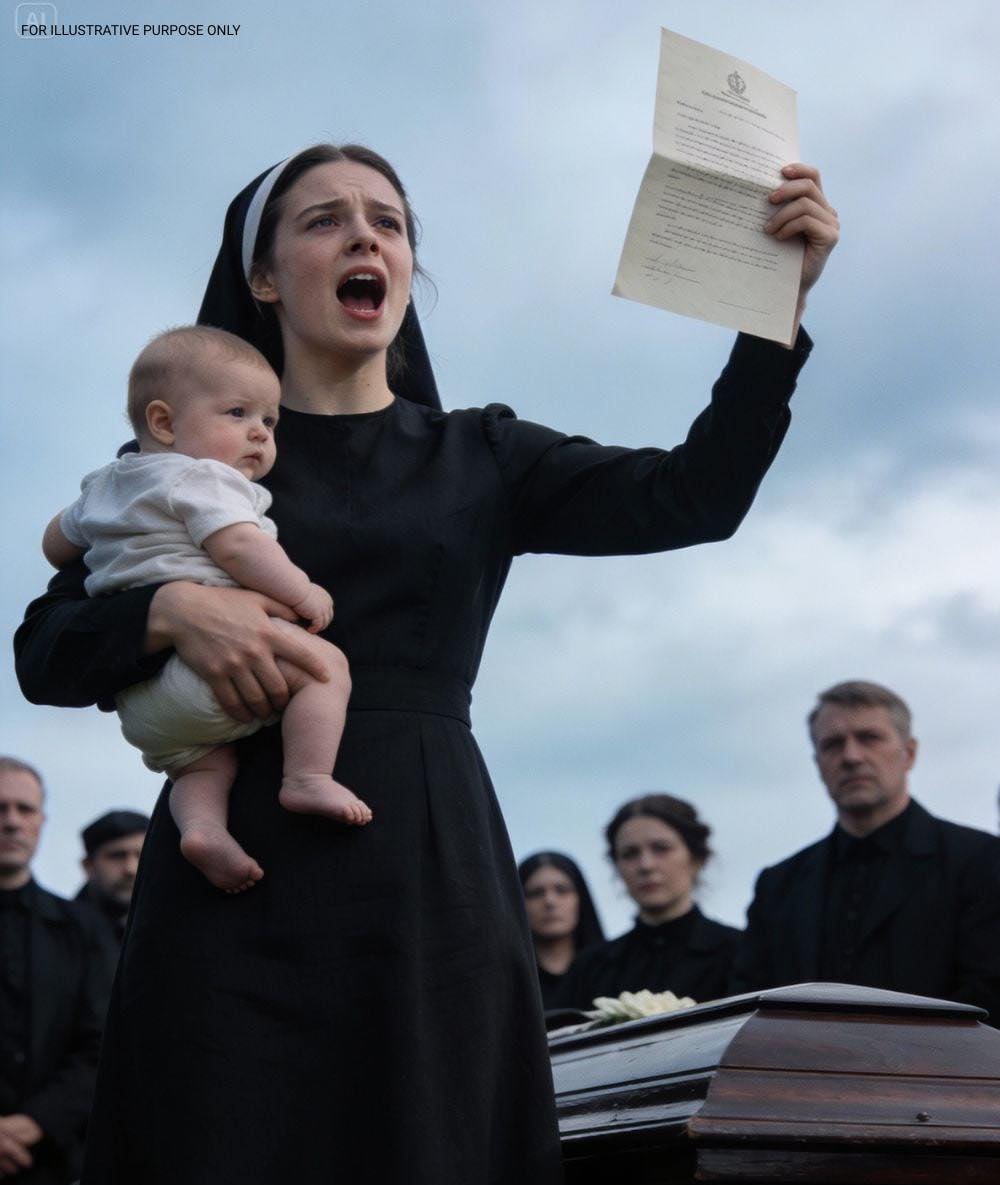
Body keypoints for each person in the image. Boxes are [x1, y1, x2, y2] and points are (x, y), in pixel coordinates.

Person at [15, 142, 839, 1184]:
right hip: (225, 886)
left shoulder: (481, 454)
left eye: (389, 222)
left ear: (406, 269)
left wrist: (773, 315)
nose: (364, 236)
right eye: (324, 219)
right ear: (261, 276)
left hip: (424, 880)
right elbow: (42, 654)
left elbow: (695, 498)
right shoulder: (181, 466)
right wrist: (172, 611)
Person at [43, 327, 371, 893]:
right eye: (238, 413)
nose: (259, 432)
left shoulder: (103, 485)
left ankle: (201, 830)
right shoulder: (203, 477)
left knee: (200, 763)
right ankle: (308, 776)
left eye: (270, 421)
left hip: (141, 698)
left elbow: (56, 545)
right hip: (209, 669)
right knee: (327, 670)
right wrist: (303, 593)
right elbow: (240, 547)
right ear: (164, 423)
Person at [729, 681, 1000, 1020]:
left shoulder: (981, 861)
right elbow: (746, 1009)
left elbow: (989, 994)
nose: (851, 756)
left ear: (909, 753)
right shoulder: (777, 887)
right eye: (832, 744)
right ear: (817, 763)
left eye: (869, 738)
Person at [0, 758, 115, 1185]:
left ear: (41, 821)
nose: (12, 822)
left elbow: (102, 1041)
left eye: (24, 809)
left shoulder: (83, 929)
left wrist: (36, 1122)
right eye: (0, 808)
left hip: (52, 1162)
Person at [556, 795, 740, 1010]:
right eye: (630, 853)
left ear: (697, 858)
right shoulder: (590, 969)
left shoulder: (739, 954)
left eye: (661, 848)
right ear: (616, 866)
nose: (646, 865)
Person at [518, 852, 605, 1008]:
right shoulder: (506, 980)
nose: (549, 901)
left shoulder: (614, 970)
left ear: (580, 898)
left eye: (561, 890)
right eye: (535, 893)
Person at [76, 809, 149, 945]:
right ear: (88, 865)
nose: (131, 869)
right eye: (117, 856)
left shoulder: (174, 929)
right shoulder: (58, 935)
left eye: (141, 856)